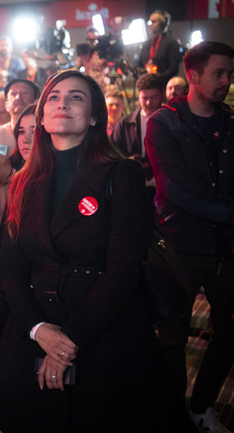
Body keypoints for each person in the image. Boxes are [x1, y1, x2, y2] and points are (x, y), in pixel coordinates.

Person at [0, 70, 195, 432]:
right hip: (36, 325)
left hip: (104, 328)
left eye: (76, 97)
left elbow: (124, 269)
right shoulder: (23, 181)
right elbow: (13, 268)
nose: (62, 103)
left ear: (95, 116)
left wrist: (68, 342)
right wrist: (39, 331)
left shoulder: (121, 174)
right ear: (42, 117)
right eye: (53, 97)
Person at [145, 41, 234, 433]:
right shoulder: (164, 123)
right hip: (180, 245)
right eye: (219, 73)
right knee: (172, 340)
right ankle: (174, 414)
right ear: (193, 76)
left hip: (226, 246)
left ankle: (201, 406)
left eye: (230, 74)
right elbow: (177, 189)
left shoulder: (230, 121)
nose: (226, 82)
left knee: (230, 331)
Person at [0, 79, 39, 245]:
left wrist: (9, 173)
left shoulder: (44, 134)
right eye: (13, 94)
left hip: (31, 217)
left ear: (36, 101)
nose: (18, 97)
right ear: (6, 104)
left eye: (24, 93)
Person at [112, 73, 165, 190]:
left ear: (162, 94)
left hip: (164, 184)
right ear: (138, 97)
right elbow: (114, 151)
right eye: (144, 98)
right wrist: (130, 161)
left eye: (154, 98)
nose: (148, 103)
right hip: (134, 183)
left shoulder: (172, 121)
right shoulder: (125, 123)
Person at [138, 10, 183, 86]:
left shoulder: (170, 43)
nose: (150, 24)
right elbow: (140, 64)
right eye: (149, 22)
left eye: (154, 22)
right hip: (148, 84)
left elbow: (174, 68)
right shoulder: (146, 44)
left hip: (163, 84)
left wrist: (158, 78)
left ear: (162, 24)